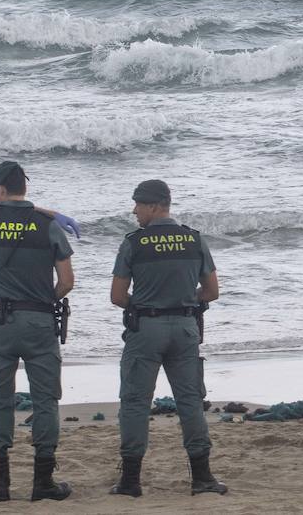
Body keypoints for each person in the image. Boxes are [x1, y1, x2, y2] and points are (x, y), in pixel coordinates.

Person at [109, 179, 226, 497]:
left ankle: (131, 481)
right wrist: (186, 300)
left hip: (145, 329)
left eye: (138, 204)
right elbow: (212, 291)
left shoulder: (134, 243)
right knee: (190, 402)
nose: (134, 210)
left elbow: (118, 296)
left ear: (154, 206)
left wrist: (146, 304)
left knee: (135, 403)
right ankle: (202, 477)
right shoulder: (193, 239)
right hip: (186, 328)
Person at [0, 160, 74, 503]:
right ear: (24, 188)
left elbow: (10, 210)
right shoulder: (49, 227)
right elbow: (67, 282)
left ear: (0, 190)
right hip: (39, 322)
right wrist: (43, 300)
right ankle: (43, 482)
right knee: (46, 400)